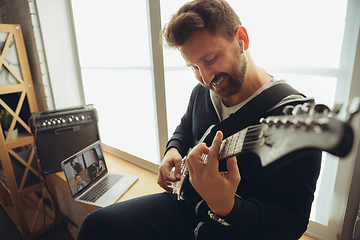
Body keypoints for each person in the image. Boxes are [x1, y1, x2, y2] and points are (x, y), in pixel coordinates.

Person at [77, 1, 321, 239]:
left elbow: (292, 223)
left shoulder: (297, 118)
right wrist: (173, 149)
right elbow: (186, 126)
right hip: (186, 206)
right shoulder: (204, 91)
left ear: (241, 39)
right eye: (193, 66)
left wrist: (229, 207)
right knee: (96, 227)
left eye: (210, 59)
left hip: (238, 230)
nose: (205, 77)